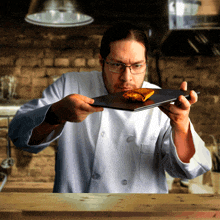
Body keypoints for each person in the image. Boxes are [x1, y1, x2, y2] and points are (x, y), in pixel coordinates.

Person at [9, 22, 211, 193]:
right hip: (76, 210)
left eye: (137, 66)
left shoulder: (162, 101)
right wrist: (56, 114)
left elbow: (189, 170)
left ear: (146, 63)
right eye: (117, 65)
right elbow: (19, 136)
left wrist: (181, 125)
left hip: (139, 212)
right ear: (101, 61)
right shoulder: (71, 85)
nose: (127, 77)